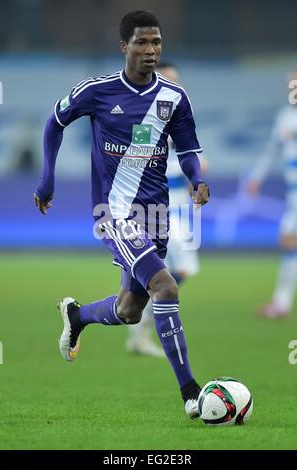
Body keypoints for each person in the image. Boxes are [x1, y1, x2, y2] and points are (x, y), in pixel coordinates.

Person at [34, 10, 210, 419]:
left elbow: (188, 151)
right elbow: (53, 123)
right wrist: (47, 179)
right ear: (124, 47)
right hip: (112, 213)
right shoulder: (97, 91)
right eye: (142, 43)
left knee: (130, 310)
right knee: (166, 287)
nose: (151, 50)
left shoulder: (173, 98)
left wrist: (197, 179)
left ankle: (77, 315)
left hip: (156, 214)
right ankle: (190, 392)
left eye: (157, 43)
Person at [126, 62, 208, 358]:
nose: (174, 86)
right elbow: (139, 162)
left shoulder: (182, 115)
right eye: (168, 80)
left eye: (177, 80)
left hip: (181, 206)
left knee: (177, 270)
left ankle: (140, 328)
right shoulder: (146, 120)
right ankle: (140, 328)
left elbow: (195, 154)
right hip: (158, 205)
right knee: (161, 269)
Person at [246, 71, 297, 318]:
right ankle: (282, 302)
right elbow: (271, 150)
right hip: (293, 192)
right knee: (289, 241)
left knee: (289, 239)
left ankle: (282, 303)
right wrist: (256, 177)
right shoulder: (286, 116)